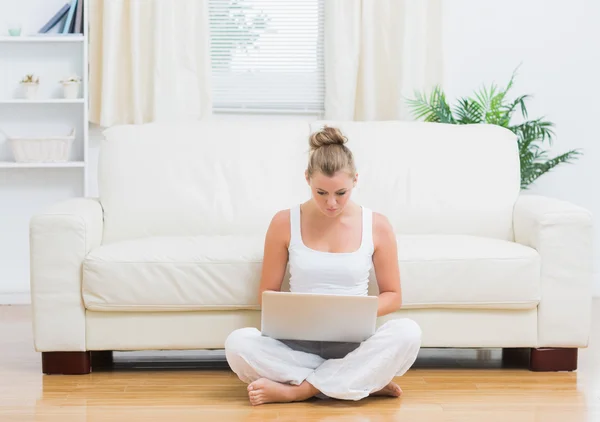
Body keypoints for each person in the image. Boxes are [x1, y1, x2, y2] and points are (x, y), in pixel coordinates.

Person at [224, 126, 422, 406]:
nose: (331, 203)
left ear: (355, 180)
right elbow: (266, 293)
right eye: (321, 192)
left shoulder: (377, 225)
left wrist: (352, 313)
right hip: (296, 345)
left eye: (341, 193)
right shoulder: (283, 222)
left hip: (354, 344)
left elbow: (393, 294)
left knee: (408, 332)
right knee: (238, 343)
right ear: (307, 178)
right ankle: (359, 380)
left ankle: (299, 390)